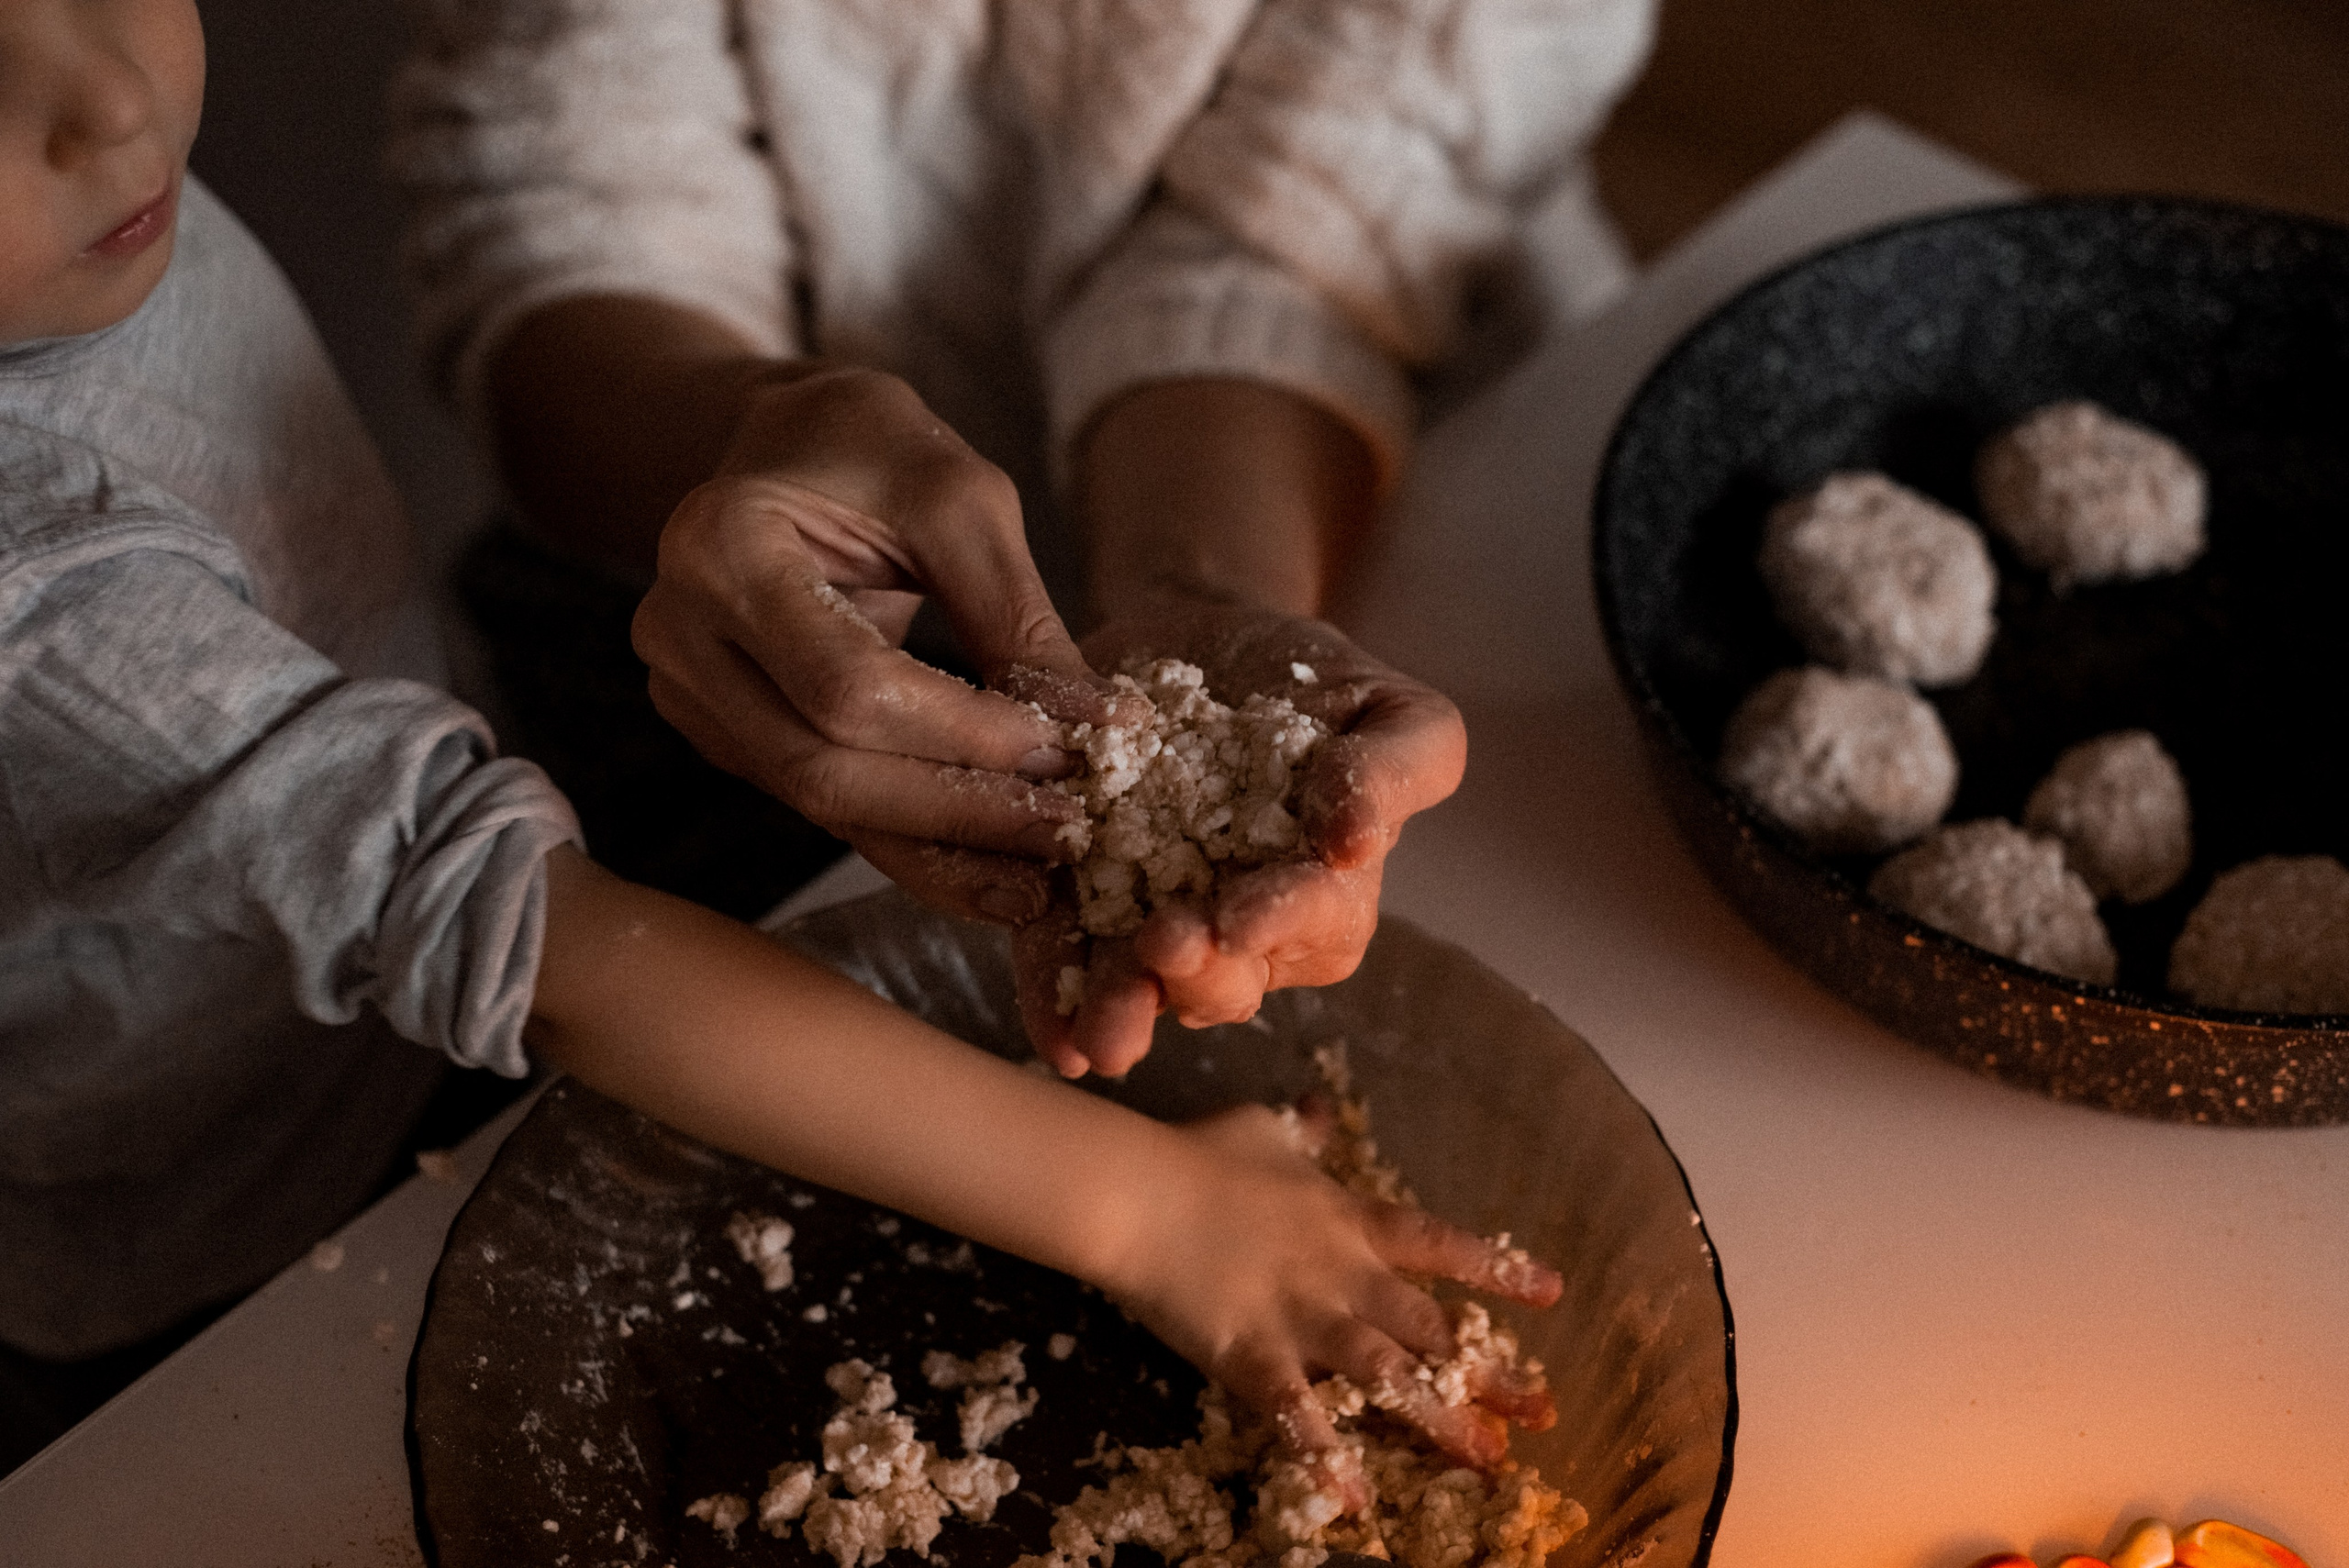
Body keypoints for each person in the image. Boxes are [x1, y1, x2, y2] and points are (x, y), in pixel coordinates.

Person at [0, 0, 1559, 1487]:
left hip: (424, 850)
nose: (108, 100)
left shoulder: (68, 228)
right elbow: (534, 941)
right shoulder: (37, 592)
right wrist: (1157, 1213)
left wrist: (1194, 586)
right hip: (225, 1204)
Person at [389, 0, 1656, 1078]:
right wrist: (749, 441)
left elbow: (1300, 240)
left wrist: (1200, 587)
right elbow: (564, 198)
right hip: (703, 526)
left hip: (1355, 451)